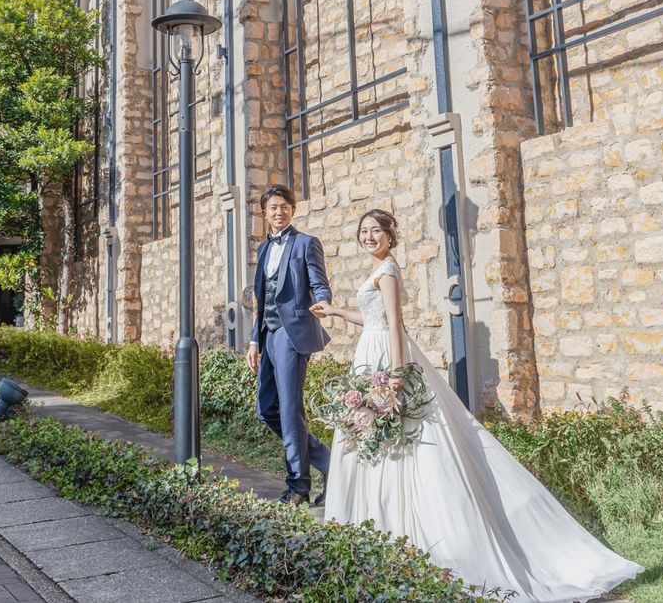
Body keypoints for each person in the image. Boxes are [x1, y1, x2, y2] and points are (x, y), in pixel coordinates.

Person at [310, 209, 642, 602]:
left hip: (386, 360)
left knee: (401, 440)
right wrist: (335, 312)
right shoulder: (380, 270)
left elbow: (395, 326)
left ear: (389, 235)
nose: (369, 236)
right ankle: (377, 525)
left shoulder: (387, 271)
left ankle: (404, 529)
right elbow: (374, 319)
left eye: (375, 231)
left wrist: (396, 380)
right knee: (375, 441)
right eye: (363, 231)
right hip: (373, 351)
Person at [247, 183, 333, 505]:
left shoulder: (306, 243)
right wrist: (254, 339)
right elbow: (262, 299)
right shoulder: (263, 249)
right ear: (264, 213)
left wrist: (323, 302)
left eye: (285, 206)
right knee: (267, 408)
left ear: (293, 210)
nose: (279, 212)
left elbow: (319, 283)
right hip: (267, 333)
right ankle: (329, 462)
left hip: (292, 333)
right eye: (273, 207)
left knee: (289, 409)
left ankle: (299, 486)